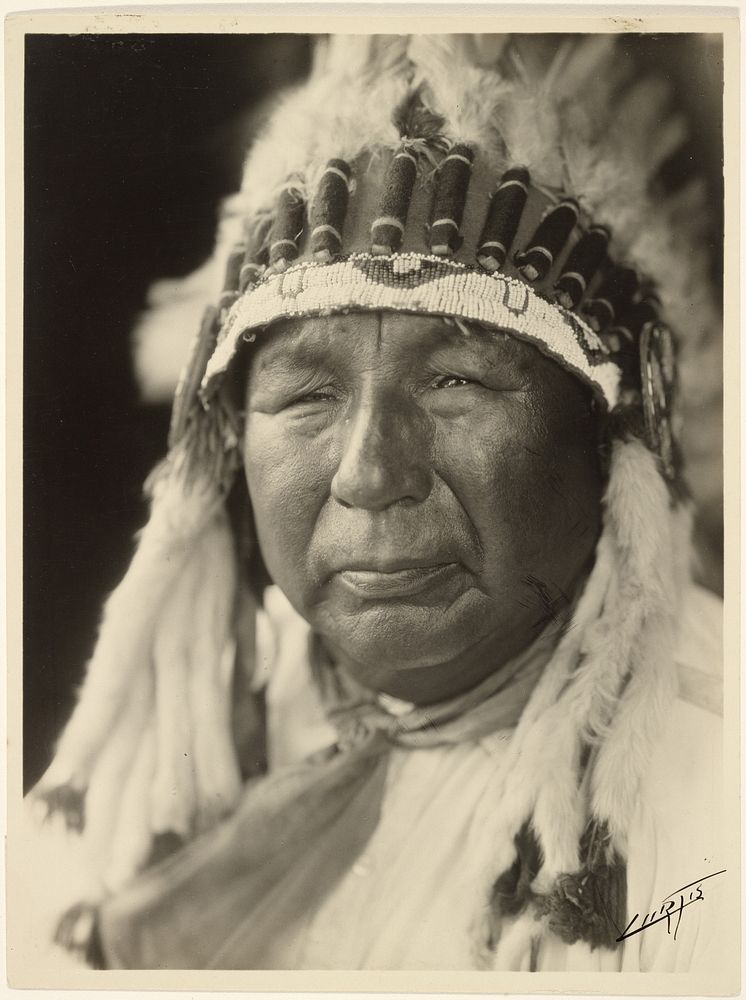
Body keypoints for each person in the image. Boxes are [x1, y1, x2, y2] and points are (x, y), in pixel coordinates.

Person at [23, 33, 725, 973]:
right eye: (306, 395)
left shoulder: (716, 793)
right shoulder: (175, 738)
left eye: (459, 383)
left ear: (613, 441)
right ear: (231, 441)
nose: (367, 473)